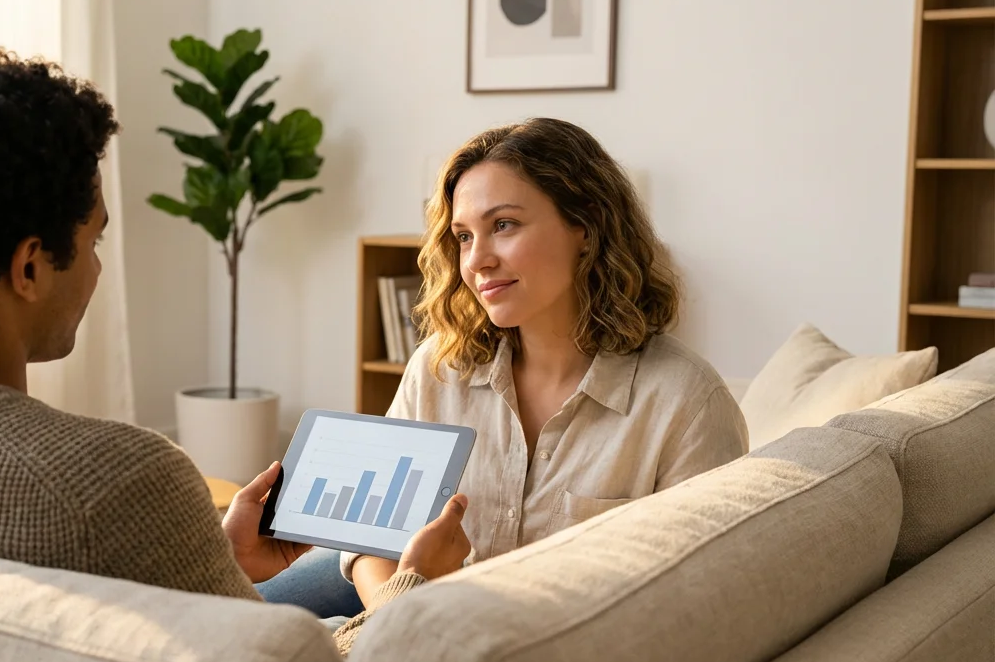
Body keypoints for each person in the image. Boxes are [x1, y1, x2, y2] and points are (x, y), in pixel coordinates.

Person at [0, 49, 470, 654]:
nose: (97, 270)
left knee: (325, 567)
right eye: (93, 241)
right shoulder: (117, 481)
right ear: (29, 268)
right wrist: (412, 591)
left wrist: (213, 557)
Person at [257, 117, 748, 615]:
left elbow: (697, 606)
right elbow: (369, 543)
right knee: (238, 617)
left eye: (504, 225)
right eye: (464, 236)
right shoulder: (437, 368)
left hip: (546, 650)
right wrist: (394, 617)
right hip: (409, 610)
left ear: (586, 224)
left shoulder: (686, 403)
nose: (477, 261)